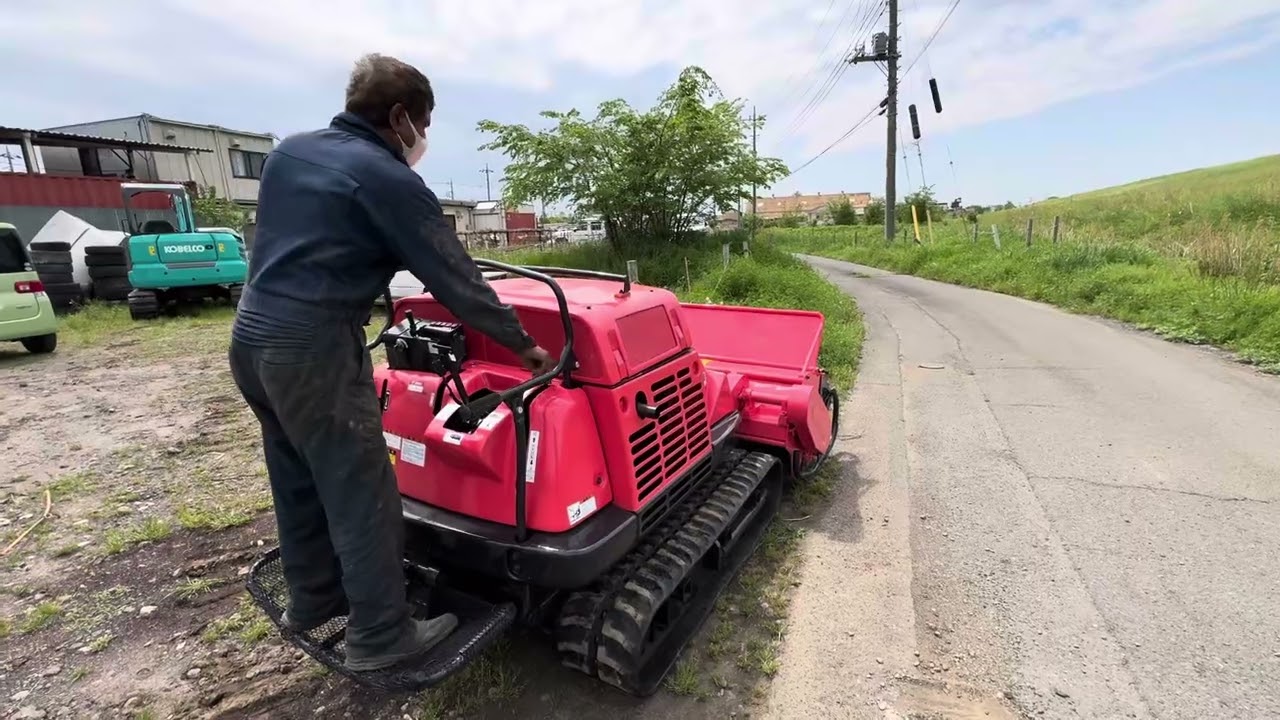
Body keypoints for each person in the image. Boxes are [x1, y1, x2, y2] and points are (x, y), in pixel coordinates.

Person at [229, 53, 554, 672]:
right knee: (362, 490)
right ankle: (381, 637)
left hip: (251, 342)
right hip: (313, 350)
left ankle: (314, 597)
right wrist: (524, 345)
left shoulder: (289, 154)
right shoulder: (389, 180)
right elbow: (456, 278)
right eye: (424, 125)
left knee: (297, 475)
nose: (422, 140)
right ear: (401, 116)